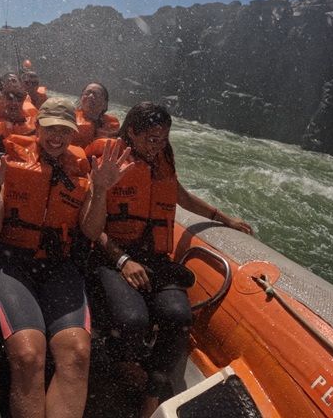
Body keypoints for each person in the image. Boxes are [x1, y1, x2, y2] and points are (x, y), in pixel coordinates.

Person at [0, 98, 133, 418]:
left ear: (73, 133)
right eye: (50, 128)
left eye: (64, 130)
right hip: (12, 263)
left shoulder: (84, 168)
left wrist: (100, 190)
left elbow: (89, 230)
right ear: (37, 127)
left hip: (59, 266)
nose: (57, 137)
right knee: (29, 354)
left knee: (77, 353)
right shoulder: (9, 162)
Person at [88, 102, 253, 417]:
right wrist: (123, 260)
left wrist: (223, 218)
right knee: (132, 319)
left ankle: (152, 393)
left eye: (163, 138)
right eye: (152, 138)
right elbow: (92, 228)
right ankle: (125, 364)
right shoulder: (109, 160)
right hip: (113, 255)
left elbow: (180, 194)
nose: (158, 145)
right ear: (131, 133)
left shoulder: (162, 159)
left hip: (154, 257)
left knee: (178, 316)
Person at [72, 82, 120, 149]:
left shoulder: (112, 125)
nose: (91, 96)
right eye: (87, 93)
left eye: (97, 94)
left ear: (105, 104)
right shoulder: (69, 117)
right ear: (81, 99)